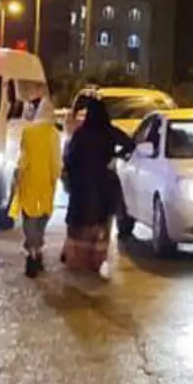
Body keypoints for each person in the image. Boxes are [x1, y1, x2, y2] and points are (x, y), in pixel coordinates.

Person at [62, 98, 134, 278]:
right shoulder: (108, 132)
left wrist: (70, 178)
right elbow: (130, 145)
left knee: (80, 223)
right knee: (102, 223)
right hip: (104, 185)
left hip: (82, 186)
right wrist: (115, 156)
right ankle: (97, 259)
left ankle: (77, 259)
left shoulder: (81, 134)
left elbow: (70, 159)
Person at [10, 97, 63, 277]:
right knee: (42, 218)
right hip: (46, 183)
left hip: (29, 181)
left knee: (29, 218)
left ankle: (33, 254)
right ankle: (37, 251)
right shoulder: (54, 134)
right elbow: (56, 161)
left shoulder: (28, 131)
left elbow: (23, 156)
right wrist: (56, 176)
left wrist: (18, 174)